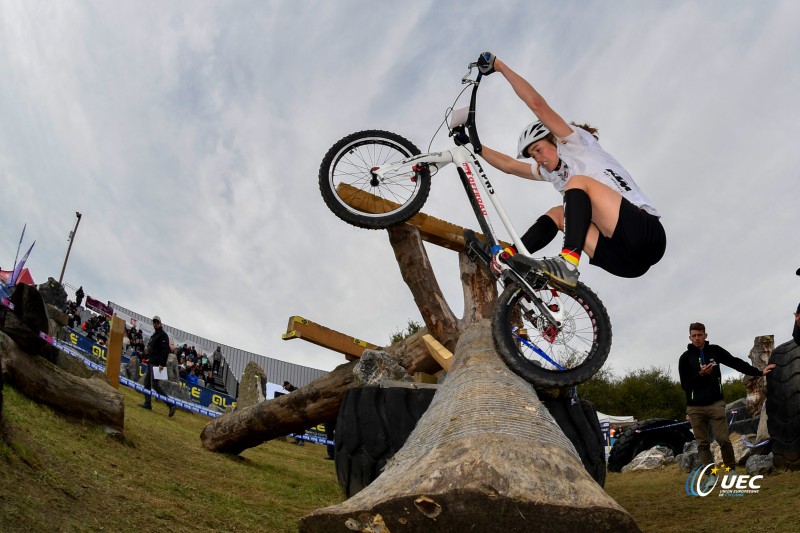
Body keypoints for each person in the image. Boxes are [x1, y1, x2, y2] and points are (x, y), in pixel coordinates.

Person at [474, 52, 666, 290]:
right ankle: (512, 258)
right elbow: (510, 167)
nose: (539, 159)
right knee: (558, 213)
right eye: (534, 156)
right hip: (625, 262)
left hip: (646, 234)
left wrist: (500, 66)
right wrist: (476, 147)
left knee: (576, 184)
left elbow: (537, 105)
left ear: (553, 140)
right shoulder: (553, 172)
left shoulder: (575, 144)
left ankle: (568, 261)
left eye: (539, 149)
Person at [678, 322, 775, 468]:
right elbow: (685, 385)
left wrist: (759, 372)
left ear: (705, 335)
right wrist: (700, 374)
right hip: (695, 406)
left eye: (699, 335)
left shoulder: (715, 351)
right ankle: (711, 475)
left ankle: (731, 470)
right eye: (694, 336)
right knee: (703, 443)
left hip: (715, 403)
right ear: (690, 337)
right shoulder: (684, 358)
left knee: (723, 439)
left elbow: (735, 362)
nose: (697, 338)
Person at [139, 315, 176, 417]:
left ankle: (171, 404)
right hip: (151, 361)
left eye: (157, 322)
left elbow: (165, 351)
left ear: (160, 323)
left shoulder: (163, 335)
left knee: (155, 384)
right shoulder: (155, 334)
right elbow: (152, 347)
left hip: (157, 364)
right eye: (154, 322)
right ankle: (147, 403)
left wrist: (162, 364)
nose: (155, 324)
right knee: (147, 383)